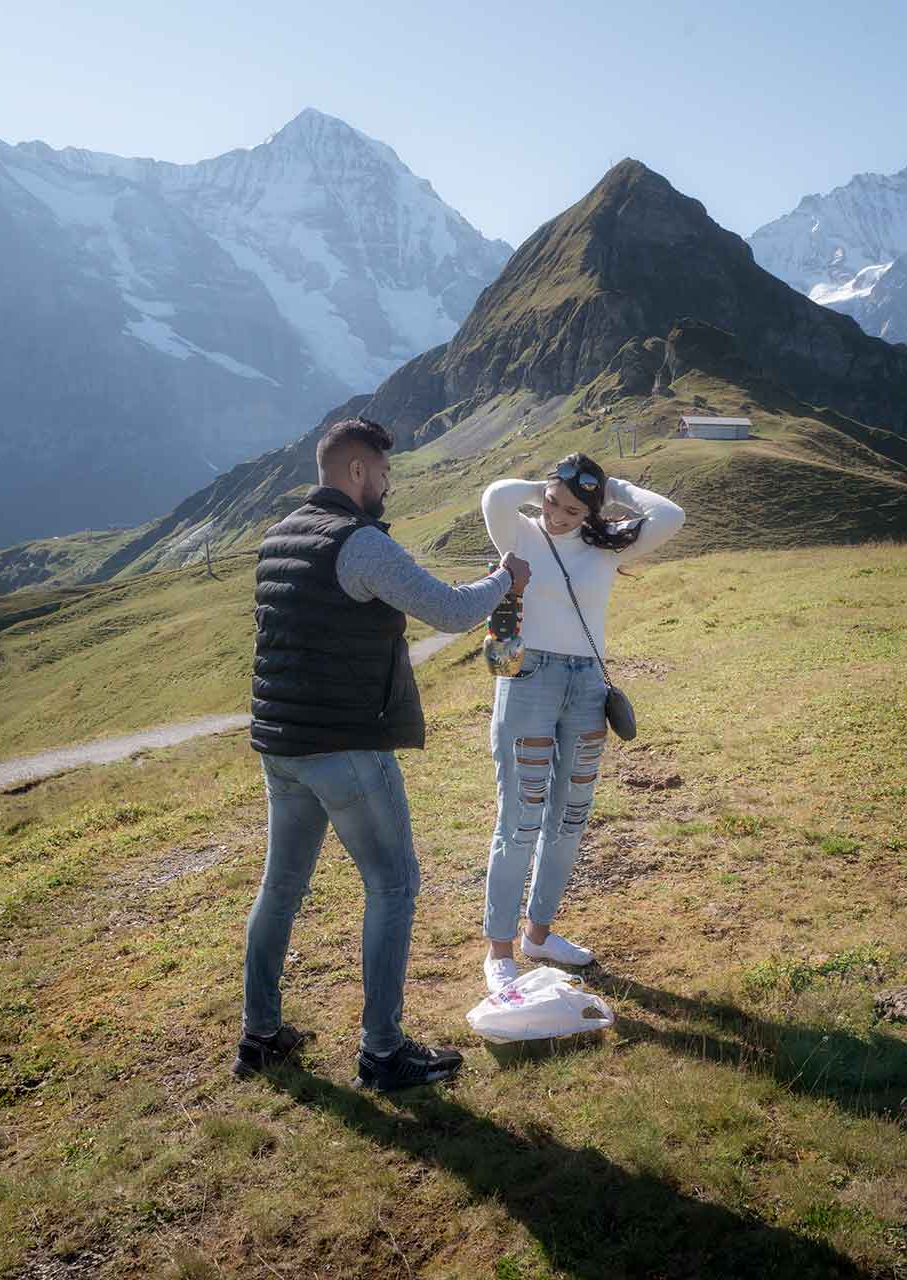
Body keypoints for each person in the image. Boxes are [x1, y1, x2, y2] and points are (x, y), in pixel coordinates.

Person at [237, 416, 531, 1090]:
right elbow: (453, 613)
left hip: (281, 745)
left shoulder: (279, 536)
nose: (388, 487)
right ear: (358, 472)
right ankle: (382, 1051)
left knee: (280, 889)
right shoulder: (359, 541)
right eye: (385, 474)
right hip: (345, 745)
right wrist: (505, 578)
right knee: (393, 884)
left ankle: (259, 1036)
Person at [477, 453, 685, 994]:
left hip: (589, 685)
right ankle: (500, 950)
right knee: (519, 817)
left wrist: (611, 489)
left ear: (592, 511)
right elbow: (497, 493)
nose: (557, 514)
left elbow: (670, 516)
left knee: (570, 814)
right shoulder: (517, 531)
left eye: (572, 509)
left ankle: (539, 935)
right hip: (528, 678)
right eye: (551, 501)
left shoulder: (605, 544)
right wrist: (549, 481)